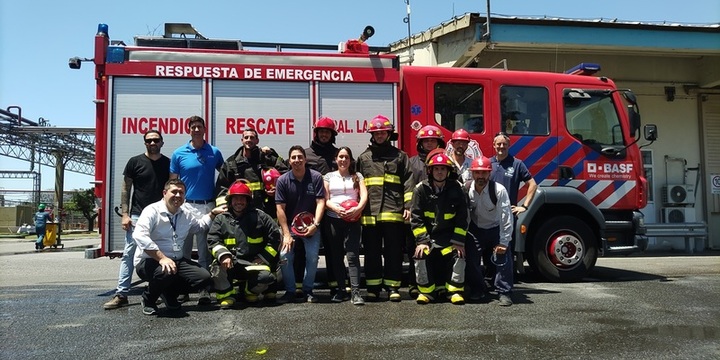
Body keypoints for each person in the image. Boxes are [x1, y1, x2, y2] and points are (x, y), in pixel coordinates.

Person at [133, 179, 226, 315]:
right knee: (165, 271)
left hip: (176, 261)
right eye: (174, 192)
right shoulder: (152, 211)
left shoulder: (185, 214)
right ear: (164, 193)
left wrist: (213, 213)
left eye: (181, 193)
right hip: (149, 261)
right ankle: (148, 299)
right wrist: (162, 258)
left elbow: (200, 226)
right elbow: (139, 236)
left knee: (204, 277)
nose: (178, 195)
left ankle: (168, 293)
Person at [104, 130, 170, 310]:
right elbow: (126, 189)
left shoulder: (168, 164)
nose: (152, 143)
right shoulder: (134, 162)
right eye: (149, 140)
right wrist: (125, 215)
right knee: (129, 254)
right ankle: (121, 293)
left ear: (162, 142)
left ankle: (155, 293)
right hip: (137, 216)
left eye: (156, 140)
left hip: (160, 216)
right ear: (145, 143)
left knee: (157, 254)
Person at [356, 115, 413, 302]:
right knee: (371, 252)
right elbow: (357, 185)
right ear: (372, 134)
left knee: (393, 251)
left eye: (383, 132)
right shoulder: (363, 158)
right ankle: (373, 288)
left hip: (393, 212)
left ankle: (392, 287)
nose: (379, 135)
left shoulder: (400, 156)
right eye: (376, 133)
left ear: (389, 133)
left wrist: (408, 206)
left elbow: (409, 183)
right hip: (369, 214)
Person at [169, 115, 224, 304]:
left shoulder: (214, 152)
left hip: (208, 205)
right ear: (189, 130)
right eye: (193, 127)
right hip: (185, 205)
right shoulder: (179, 154)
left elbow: (225, 175)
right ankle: (182, 289)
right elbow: (172, 182)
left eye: (200, 126)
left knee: (204, 251)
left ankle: (204, 290)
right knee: (182, 251)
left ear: (205, 129)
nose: (197, 130)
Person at [207, 180, 282, 309]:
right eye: (235, 199)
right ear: (230, 201)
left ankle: (249, 292)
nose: (239, 202)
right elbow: (213, 240)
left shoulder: (261, 217)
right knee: (216, 268)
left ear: (248, 201)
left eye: (242, 199)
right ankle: (227, 296)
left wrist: (263, 257)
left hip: (253, 263)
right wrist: (223, 255)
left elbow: (275, 239)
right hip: (231, 262)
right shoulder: (221, 219)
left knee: (266, 278)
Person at [410, 152, 468, 305]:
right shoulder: (420, 189)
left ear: (448, 171)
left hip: (449, 237)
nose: (440, 172)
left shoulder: (457, 189)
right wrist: (422, 241)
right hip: (428, 237)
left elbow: (463, 218)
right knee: (421, 254)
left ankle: (454, 291)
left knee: (458, 254)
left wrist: (458, 241)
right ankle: (426, 292)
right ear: (430, 171)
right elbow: (416, 217)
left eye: (443, 169)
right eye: (436, 169)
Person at [275, 146, 326, 303]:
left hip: (312, 225)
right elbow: (280, 209)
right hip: (291, 227)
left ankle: (308, 290)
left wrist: (315, 225)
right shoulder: (282, 180)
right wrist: (287, 234)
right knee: (284, 256)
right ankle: (290, 291)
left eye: (300, 157)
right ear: (289, 161)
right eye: (294, 157)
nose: (297, 160)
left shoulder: (316, 177)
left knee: (312, 257)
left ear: (305, 159)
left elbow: (320, 202)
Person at [465, 156, 514, 306]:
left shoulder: (499, 190)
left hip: (495, 229)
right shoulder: (466, 189)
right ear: (472, 173)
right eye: (477, 173)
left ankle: (504, 292)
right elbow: (463, 215)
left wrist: (504, 242)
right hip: (475, 229)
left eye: (484, 173)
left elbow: (506, 217)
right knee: (472, 260)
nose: (481, 176)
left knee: (503, 259)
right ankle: (478, 290)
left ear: (489, 174)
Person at [300, 117, 340, 299]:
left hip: (332, 210)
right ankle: (300, 286)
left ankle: (336, 286)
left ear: (332, 134)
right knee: (303, 250)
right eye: (321, 131)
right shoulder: (305, 155)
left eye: (328, 132)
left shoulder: (338, 155)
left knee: (334, 249)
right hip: (310, 210)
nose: (324, 134)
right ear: (315, 133)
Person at [322, 146, 367, 305]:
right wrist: (334, 208)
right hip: (333, 220)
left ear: (350, 160)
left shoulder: (357, 176)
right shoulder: (328, 177)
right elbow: (324, 199)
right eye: (340, 157)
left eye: (346, 157)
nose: (343, 160)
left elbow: (364, 195)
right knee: (336, 256)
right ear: (336, 159)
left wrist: (358, 209)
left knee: (353, 256)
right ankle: (341, 290)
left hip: (353, 221)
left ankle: (356, 293)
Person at [489, 132, 538, 277]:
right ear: (494, 145)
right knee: (490, 249)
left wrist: (524, 206)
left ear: (509, 145)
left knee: (506, 248)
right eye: (498, 144)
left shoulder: (517, 164)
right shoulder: (488, 163)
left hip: (507, 215)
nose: (501, 147)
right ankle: (491, 278)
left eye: (504, 144)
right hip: (489, 214)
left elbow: (533, 184)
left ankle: (507, 281)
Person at [406, 125, 446, 298]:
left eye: (433, 140)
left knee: (438, 250)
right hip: (419, 213)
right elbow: (408, 186)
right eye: (426, 140)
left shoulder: (445, 161)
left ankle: (438, 283)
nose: (429, 143)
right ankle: (415, 283)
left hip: (439, 214)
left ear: (439, 142)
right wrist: (408, 207)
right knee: (415, 249)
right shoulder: (413, 162)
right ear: (420, 143)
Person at [215, 128, 287, 217]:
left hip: (266, 212)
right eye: (246, 137)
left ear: (257, 141)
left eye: (252, 137)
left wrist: (276, 189)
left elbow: (285, 174)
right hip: (240, 214)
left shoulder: (266, 158)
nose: (249, 140)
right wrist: (225, 210)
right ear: (242, 140)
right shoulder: (231, 163)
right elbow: (222, 188)